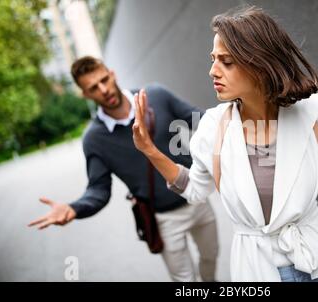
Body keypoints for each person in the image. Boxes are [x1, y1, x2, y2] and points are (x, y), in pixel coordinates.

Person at [132, 6, 318, 282]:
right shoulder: (213, 127)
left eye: (226, 62)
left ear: (260, 65)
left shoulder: (314, 114)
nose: (213, 71)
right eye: (213, 59)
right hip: (259, 269)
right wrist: (149, 150)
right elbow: (195, 189)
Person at [28, 56, 219, 282]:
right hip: (163, 219)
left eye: (104, 80)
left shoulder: (156, 95)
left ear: (112, 74)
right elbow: (98, 190)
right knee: (184, 280)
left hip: (197, 198)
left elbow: (200, 120)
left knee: (210, 258)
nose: (104, 89)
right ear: (85, 95)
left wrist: (239, 115)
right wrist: (75, 208)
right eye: (93, 88)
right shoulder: (94, 139)